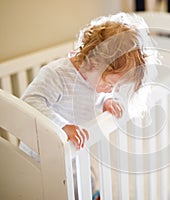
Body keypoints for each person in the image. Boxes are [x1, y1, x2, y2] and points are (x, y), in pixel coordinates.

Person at [21, 12, 158, 199]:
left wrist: (105, 101)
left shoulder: (94, 79)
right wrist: (62, 126)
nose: (112, 90)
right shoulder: (58, 74)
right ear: (94, 63)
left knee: (85, 181)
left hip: (73, 155)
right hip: (40, 157)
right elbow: (30, 102)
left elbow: (91, 96)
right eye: (111, 84)